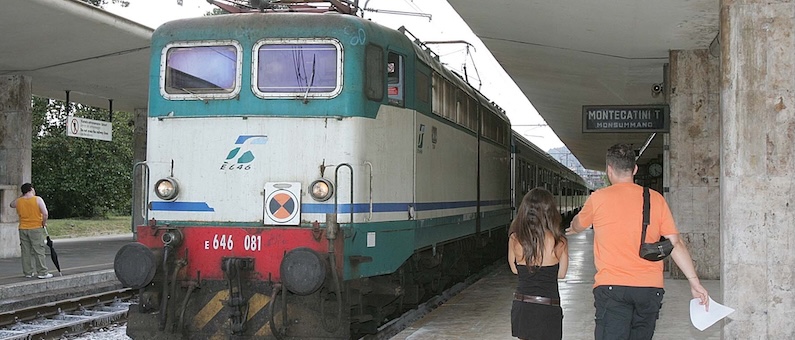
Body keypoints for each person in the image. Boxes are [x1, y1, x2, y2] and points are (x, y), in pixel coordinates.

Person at [566, 143, 708, 340]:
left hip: (612, 287)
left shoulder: (598, 198)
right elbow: (675, 243)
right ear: (634, 169)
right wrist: (695, 282)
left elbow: (578, 225)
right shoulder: (655, 199)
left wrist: (573, 229)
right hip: (649, 289)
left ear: (609, 170)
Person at [508, 187, 569, 340]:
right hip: (549, 307)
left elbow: (515, 269)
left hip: (523, 305)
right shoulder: (559, 241)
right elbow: (561, 274)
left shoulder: (515, 238)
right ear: (550, 212)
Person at [9, 183, 52, 279]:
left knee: (25, 251)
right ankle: (42, 272)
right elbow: (45, 213)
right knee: (39, 250)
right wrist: (43, 223)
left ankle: (28, 272)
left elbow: (11, 204)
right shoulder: (37, 199)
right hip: (35, 228)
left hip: (23, 228)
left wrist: (22, 196)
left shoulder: (19, 201)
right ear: (31, 189)